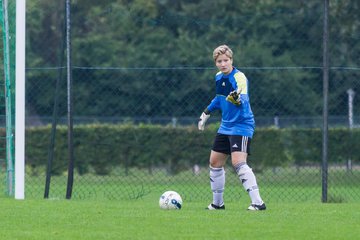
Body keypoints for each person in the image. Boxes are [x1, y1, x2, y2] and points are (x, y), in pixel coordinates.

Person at [198, 44, 266, 211]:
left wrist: (238, 99)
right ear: (216, 63)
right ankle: (217, 204)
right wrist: (206, 112)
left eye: (226, 60)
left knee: (238, 162)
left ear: (231, 60)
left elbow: (244, 97)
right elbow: (218, 98)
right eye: (219, 61)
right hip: (225, 126)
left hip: (242, 125)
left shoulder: (239, 77)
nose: (223, 64)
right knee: (214, 162)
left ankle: (258, 202)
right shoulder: (218, 77)